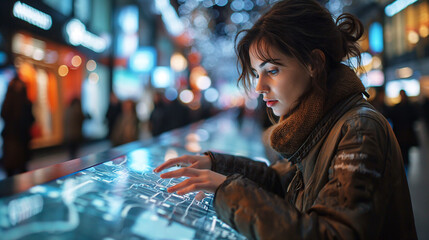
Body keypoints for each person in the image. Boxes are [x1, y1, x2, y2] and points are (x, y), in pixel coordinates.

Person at [153, 0, 417, 239]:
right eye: (258, 73)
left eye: (273, 70)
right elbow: (282, 182)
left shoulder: (358, 128)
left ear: (313, 63)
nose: (259, 87)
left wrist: (228, 189)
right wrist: (216, 165)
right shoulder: (313, 123)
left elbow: (333, 234)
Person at [1, 76, 34, 176]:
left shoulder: (9, 100)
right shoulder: (24, 101)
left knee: (13, 169)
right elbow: (31, 119)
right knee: (20, 168)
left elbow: (3, 114)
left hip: (14, 138)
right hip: (18, 139)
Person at [388, 90, 418, 171]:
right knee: (402, 151)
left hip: (403, 133)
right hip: (403, 133)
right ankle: (404, 165)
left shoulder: (398, 107)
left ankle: (404, 165)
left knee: (403, 151)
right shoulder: (408, 106)